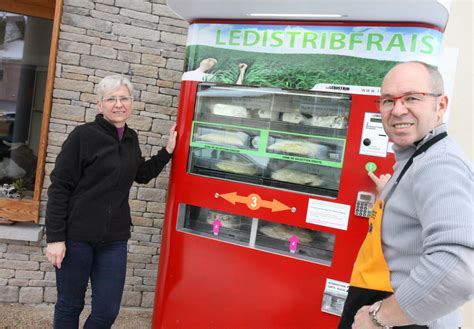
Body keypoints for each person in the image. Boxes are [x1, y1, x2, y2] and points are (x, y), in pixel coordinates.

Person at [339, 61, 473, 329]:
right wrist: (392, 196)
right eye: (388, 100)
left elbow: (458, 267)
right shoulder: (418, 157)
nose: (398, 110)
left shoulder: (439, 164)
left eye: (412, 97)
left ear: (441, 105)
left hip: (403, 320)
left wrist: (380, 318)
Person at [45, 75, 177, 328]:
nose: (119, 104)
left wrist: (167, 151)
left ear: (132, 103)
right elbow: (60, 187)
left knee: (107, 310)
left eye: (124, 98)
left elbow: (141, 174)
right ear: (100, 105)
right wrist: (55, 238)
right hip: (76, 237)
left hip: (114, 239)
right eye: (111, 99)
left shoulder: (131, 138)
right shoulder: (82, 136)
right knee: (70, 305)